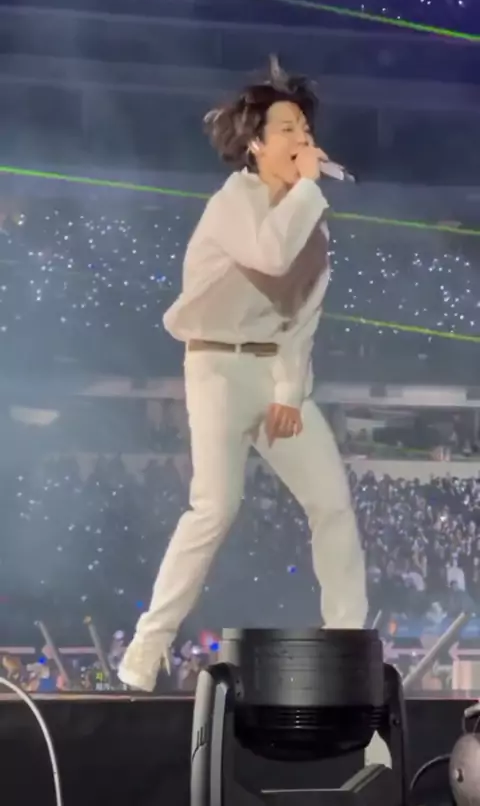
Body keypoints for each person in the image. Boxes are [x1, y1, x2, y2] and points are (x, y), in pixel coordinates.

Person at [119, 57, 368, 693]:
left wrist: (289, 392)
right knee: (215, 507)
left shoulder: (311, 216)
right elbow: (269, 253)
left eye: (305, 128)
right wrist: (308, 189)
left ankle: (348, 649)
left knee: (332, 503)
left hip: (273, 367)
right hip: (217, 368)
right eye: (287, 129)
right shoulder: (233, 202)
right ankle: (145, 649)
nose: (302, 138)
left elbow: (303, 315)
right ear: (255, 143)